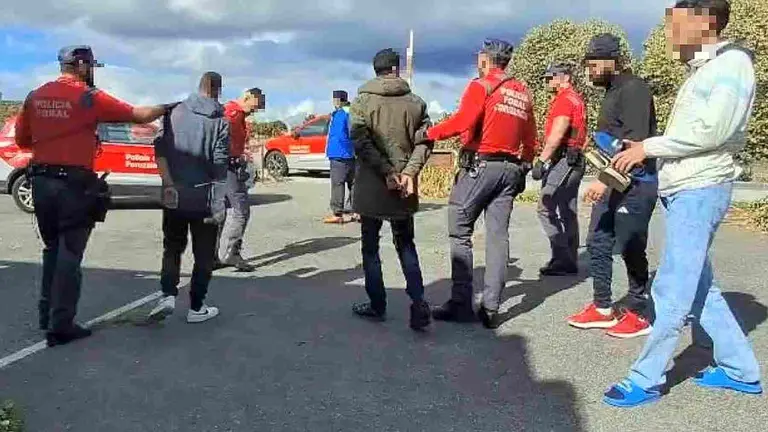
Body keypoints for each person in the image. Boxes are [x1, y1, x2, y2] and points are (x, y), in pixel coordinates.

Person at [604, 0, 762, 407]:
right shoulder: (707, 69)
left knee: (672, 286)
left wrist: (647, 147)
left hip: (700, 188)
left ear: (704, 20)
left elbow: (713, 131)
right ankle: (740, 370)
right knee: (699, 289)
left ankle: (646, 377)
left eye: (675, 25)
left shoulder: (732, 65)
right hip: (686, 187)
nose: (670, 33)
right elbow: (695, 132)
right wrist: (641, 148)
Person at [14, 45, 169, 346]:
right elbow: (138, 115)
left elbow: (22, 140)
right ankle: (61, 326)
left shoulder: (35, 96)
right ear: (83, 66)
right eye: (92, 66)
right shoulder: (88, 97)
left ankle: (48, 315)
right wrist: (171, 106)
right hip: (73, 185)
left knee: (52, 250)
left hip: (42, 184)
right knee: (70, 254)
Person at [427, 39, 538, 330]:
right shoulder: (522, 92)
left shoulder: (481, 86)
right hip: (511, 168)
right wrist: (523, 165)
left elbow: (464, 121)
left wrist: (430, 134)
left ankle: (461, 303)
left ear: (486, 60)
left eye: (479, 56)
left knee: (459, 227)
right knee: (497, 236)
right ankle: (491, 307)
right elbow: (531, 137)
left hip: (482, 164)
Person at [565, 33, 660, 339]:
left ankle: (637, 312)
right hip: (613, 182)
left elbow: (633, 146)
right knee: (598, 242)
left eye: (594, 63)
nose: (590, 70)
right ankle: (603, 308)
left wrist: (603, 183)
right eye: (587, 64)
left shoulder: (633, 89)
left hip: (637, 183)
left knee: (632, 246)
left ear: (613, 60)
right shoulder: (611, 92)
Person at [348, 48, 434, 331]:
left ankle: (377, 304)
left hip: (372, 184)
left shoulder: (361, 102)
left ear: (375, 70)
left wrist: (386, 172)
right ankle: (419, 301)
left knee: (370, 247)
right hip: (404, 188)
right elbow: (425, 142)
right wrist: (408, 172)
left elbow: (360, 142)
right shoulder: (416, 103)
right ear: (396, 70)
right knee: (406, 244)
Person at [148, 72, 230, 324]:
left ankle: (167, 295)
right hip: (203, 196)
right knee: (203, 254)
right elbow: (219, 164)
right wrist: (219, 202)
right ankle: (196, 307)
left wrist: (169, 185)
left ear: (199, 86)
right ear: (217, 90)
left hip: (175, 193)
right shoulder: (220, 121)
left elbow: (159, 150)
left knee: (172, 247)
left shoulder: (175, 112)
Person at [533, 62, 588, 276]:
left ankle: (562, 257)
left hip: (564, 158)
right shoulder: (577, 99)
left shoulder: (565, 100)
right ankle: (569, 259)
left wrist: (542, 161)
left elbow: (557, 134)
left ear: (564, 77)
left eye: (551, 77)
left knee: (545, 207)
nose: (548, 81)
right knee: (568, 210)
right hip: (576, 159)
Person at [215, 87, 264, 271]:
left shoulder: (235, 114)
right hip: (228, 167)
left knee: (219, 212)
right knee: (241, 210)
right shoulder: (232, 114)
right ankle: (231, 253)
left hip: (224, 166)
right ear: (247, 97)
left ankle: (213, 256)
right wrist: (234, 157)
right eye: (255, 106)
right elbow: (219, 140)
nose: (255, 110)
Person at [324, 90, 358, 224]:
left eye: (335, 99)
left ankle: (337, 213)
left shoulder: (343, 113)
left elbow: (351, 132)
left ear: (340, 100)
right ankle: (356, 212)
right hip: (350, 154)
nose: (334, 102)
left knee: (338, 183)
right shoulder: (348, 112)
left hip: (339, 153)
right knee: (353, 183)